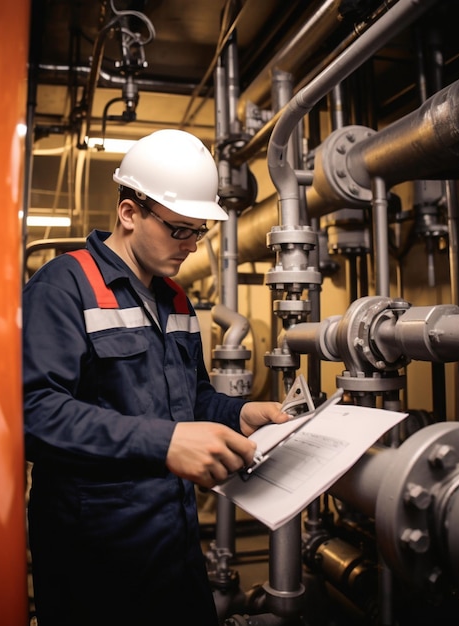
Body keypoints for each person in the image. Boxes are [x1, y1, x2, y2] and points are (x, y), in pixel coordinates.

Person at [23, 128, 290, 626]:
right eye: (179, 229)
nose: (191, 246)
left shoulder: (176, 300)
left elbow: (193, 402)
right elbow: (33, 413)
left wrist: (239, 413)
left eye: (199, 231)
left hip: (176, 550)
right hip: (95, 562)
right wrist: (164, 442)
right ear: (129, 213)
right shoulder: (64, 286)